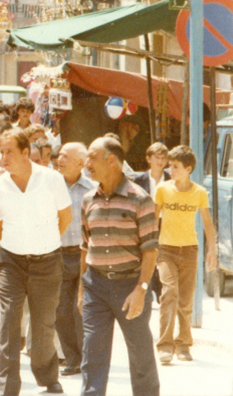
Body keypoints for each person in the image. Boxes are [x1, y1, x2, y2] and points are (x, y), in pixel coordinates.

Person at [0, 128, 73, 396]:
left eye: (9, 151)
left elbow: (65, 219)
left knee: (43, 325)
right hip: (11, 262)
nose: (3, 157)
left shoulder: (52, 179)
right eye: (2, 152)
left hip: (47, 262)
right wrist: (21, 244)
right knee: (10, 318)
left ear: (26, 153)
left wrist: (42, 242)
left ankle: (47, 377)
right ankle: (7, 386)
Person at [80, 137, 160, 396]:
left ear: (111, 161)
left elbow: (150, 251)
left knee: (140, 356)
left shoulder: (141, 199)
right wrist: (82, 290)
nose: (87, 163)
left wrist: (141, 289)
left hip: (130, 285)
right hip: (96, 286)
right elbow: (85, 247)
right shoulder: (87, 199)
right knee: (92, 354)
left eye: (92, 157)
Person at [153, 145, 217, 364]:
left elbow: (208, 223)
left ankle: (184, 344)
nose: (171, 169)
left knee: (186, 299)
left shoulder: (199, 192)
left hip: (189, 250)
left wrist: (212, 251)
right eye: (170, 165)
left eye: (176, 166)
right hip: (166, 250)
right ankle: (165, 345)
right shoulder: (162, 189)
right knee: (168, 293)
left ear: (188, 169)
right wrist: (150, 249)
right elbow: (153, 220)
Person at [54, 143, 94, 377]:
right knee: (60, 310)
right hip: (57, 254)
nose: (60, 159)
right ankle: (71, 359)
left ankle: (87, 358)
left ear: (80, 163)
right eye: (59, 155)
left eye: (66, 157)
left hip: (83, 255)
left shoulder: (91, 189)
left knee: (81, 308)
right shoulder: (50, 186)